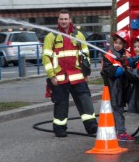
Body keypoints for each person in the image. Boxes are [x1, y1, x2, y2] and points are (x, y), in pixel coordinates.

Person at [42, 9, 98, 137]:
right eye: (61, 19)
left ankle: (92, 127)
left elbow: (85, 55)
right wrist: (51, 75)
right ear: (58, 20)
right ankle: (60, 129)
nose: (63, 21)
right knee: (61, 105)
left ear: (70, 20)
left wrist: (86, 72)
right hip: (59, 78)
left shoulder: (79, 35)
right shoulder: (51, 37)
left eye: (65, 19)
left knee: (85, 102)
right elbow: (46, 59)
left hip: (78, 77)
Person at [101, 29, 134, 141]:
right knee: (117, 109)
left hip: (123, 87)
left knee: (118, 109)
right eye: (116, 43)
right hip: (113, 88)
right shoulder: (109, 56)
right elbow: (106, 71)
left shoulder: (126, 55)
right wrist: (116, 71)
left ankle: (116, 131)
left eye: (120, 43)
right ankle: (120, 132)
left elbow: (131, 67)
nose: (117, 45)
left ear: (124, 45)